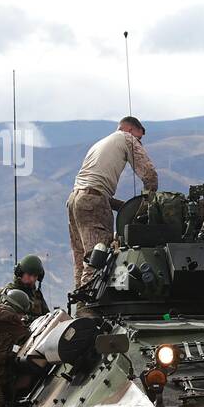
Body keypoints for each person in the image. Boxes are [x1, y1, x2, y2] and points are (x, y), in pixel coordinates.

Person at [68, 116, 159, 289]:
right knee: (98, 253)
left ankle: (80, 302)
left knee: (81, 257)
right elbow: (149, 174)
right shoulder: (127, 138)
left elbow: (93, 185)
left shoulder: (100, 143)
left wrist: (124, 207)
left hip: (75, 200)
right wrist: (149, 203)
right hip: (93, 199)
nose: (139, 143)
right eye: (139, 138)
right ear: (130, 130)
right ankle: (90, 304)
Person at [8, 254, 49, 318]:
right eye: (29, 275)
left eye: (35, 276)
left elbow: (47, 316)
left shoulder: (36, 294)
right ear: (20, 273)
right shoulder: (10, 293)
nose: (32, 279)